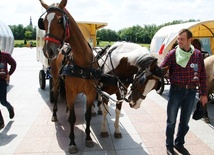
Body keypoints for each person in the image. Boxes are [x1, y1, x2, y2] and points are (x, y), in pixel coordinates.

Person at [160, 29, 207, 155]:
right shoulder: (172, 54)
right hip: (176, 90)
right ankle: (169, 146)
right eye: (178, 39)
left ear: (189, 40)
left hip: (191, 92)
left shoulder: (197, 55)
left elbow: (202, 75)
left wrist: (203, 94)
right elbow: (161, 69)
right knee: (171, 121)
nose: (179, 41)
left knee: (185, 122)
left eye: (182, 39)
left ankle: (179, 143)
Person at [0, 49, 17, 130]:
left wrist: (9, 74)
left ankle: (10, 108)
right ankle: (1, 122)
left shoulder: (4, 55)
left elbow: (13, 63)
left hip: (2, 81)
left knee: (3, 101)